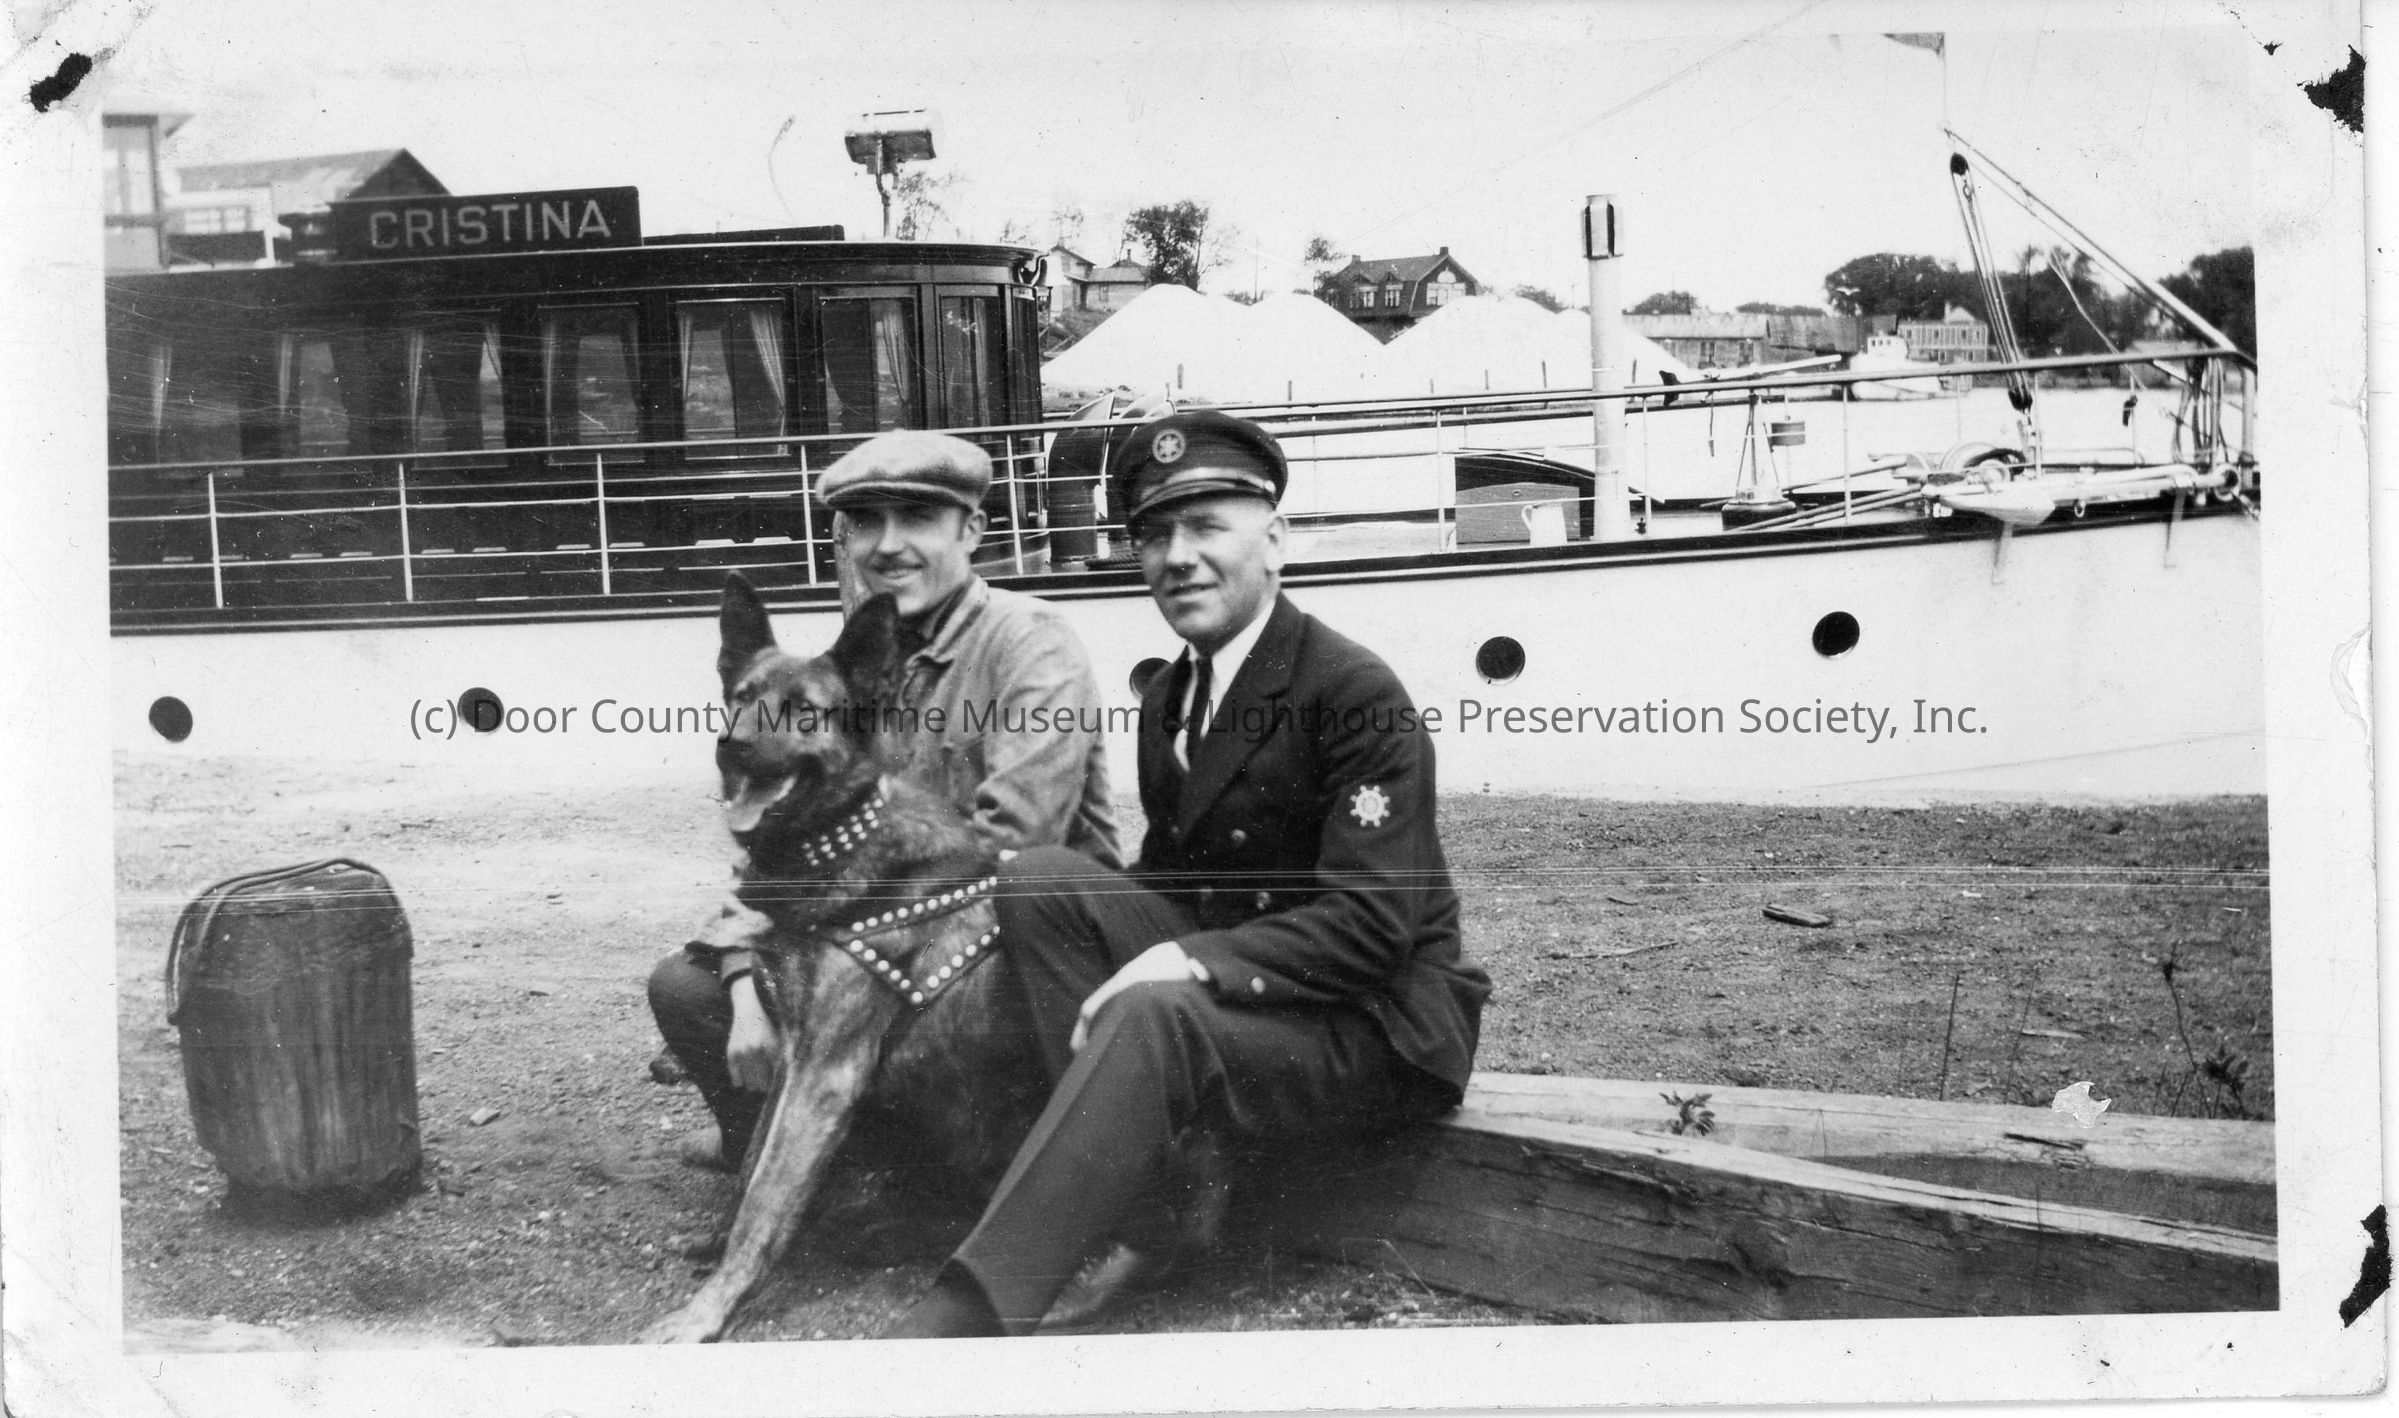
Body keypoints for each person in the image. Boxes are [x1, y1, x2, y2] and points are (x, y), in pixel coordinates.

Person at [886, 410, 1492, 1338]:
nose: (1178, 557)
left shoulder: (1350, 692)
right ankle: (1152, 1204)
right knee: (1042, 880)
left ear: (1273, 540)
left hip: (1378, 1021)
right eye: (1154, 534)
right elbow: (1172, 878)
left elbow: (1374, 927)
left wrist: (1187, 962)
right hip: (1263, 995)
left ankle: (971, 1310)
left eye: (1207, 526)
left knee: (1152, 1010)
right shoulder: (1173, 692)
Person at [649, 430, 1120, 1171]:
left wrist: (832, 955)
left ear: (972, 530)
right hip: (887, 938)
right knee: (689, 987)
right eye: (866, 522)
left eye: (918, 518)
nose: (888, 545)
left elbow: (1010, 846)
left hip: (1010, 947)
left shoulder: (1030, 643)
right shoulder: (857, 661)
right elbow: (783, 843)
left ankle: (879, 1154)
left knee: (850, 1000)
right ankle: (778, 1146)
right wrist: (745, 975)